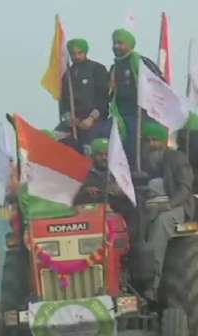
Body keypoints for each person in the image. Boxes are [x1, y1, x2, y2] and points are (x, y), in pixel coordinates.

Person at [140, 121, 195, 300]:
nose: (152, 144)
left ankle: (152, 284)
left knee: (161, 225)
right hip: (149, 207)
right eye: (148, 140)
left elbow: (185, 189)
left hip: (175, 206)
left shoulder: (177, 158)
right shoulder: (142, 161)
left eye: (155, 140)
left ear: (164, 141)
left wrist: (169, 205)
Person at [109, 29, 164, 168]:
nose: (116, 46)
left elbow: (160, 84)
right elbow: (109, 94)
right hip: (121, 115)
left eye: (120, 43)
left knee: (139, 146)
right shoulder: (114, 68)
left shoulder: (142, 62)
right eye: (114, 43)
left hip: (142, 114)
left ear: (129, 44)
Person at [59, 38, 110, 153]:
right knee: (56, 140)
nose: (76, 56)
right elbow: (64, 100)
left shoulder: (97, 69)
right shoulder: (67, 74)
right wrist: (68, 117)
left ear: (85, 52)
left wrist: (91, 118)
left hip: (94, 121)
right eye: (73, 54)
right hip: (73, 123)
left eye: (79, 53)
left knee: (89, 150)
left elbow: (103, 97)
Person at [73, 138, 136, 226]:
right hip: (92, 207)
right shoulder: (83, 172)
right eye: (100, 154)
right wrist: (86, 190)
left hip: (116, 204)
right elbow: (75, 194)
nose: (104, 157)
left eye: (107, 154)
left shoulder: (118, 171)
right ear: (92, 156)